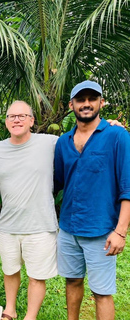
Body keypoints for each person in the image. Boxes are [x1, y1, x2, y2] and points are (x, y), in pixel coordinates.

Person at [54, 80, 130, 320]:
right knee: (72, 281)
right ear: (71, 105)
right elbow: (56, 183)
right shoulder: (63, 142)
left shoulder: (117, 135)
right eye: (80, 100)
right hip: (68, 229)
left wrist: (120, 231)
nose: (86, 104)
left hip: (101, 231)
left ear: (101, 102)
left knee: (102, 292)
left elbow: (127, 187)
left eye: (92, 99)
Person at [0, 101, 58, 320]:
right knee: (10, 271)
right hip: (8, 226)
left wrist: (107, 127)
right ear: (6, 122)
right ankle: (10, 310)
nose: (16, 120)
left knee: (36, 276)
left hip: (40, 226)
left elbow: (82, 142)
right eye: (11, 116)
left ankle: (30, 317)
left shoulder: (50, 143)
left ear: (32, 121)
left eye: (22, 116)